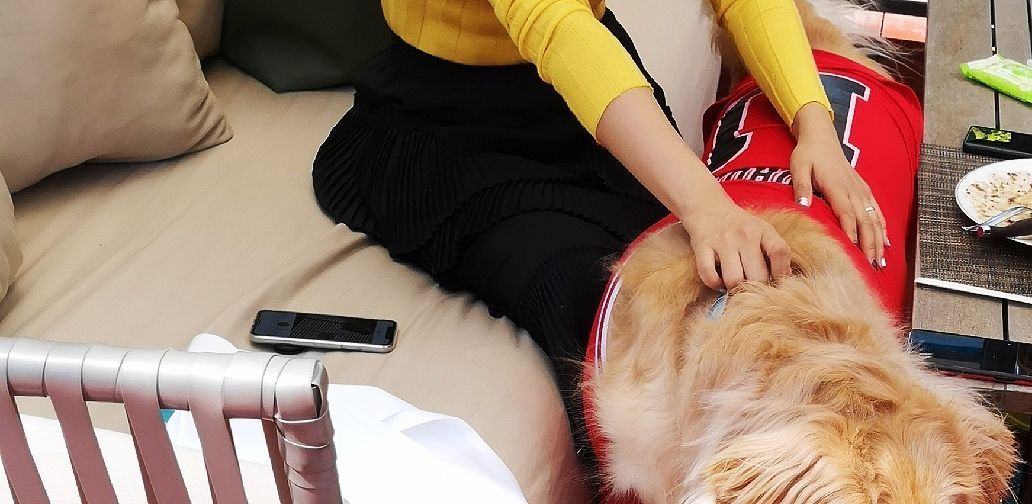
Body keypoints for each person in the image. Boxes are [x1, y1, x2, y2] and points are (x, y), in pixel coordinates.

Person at [313, 0, 886, 389]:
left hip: (587, 91)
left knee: (697, 279)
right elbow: (554, 22)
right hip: (450, 120)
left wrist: (814, 124)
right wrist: (708, 206)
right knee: (596, 302)